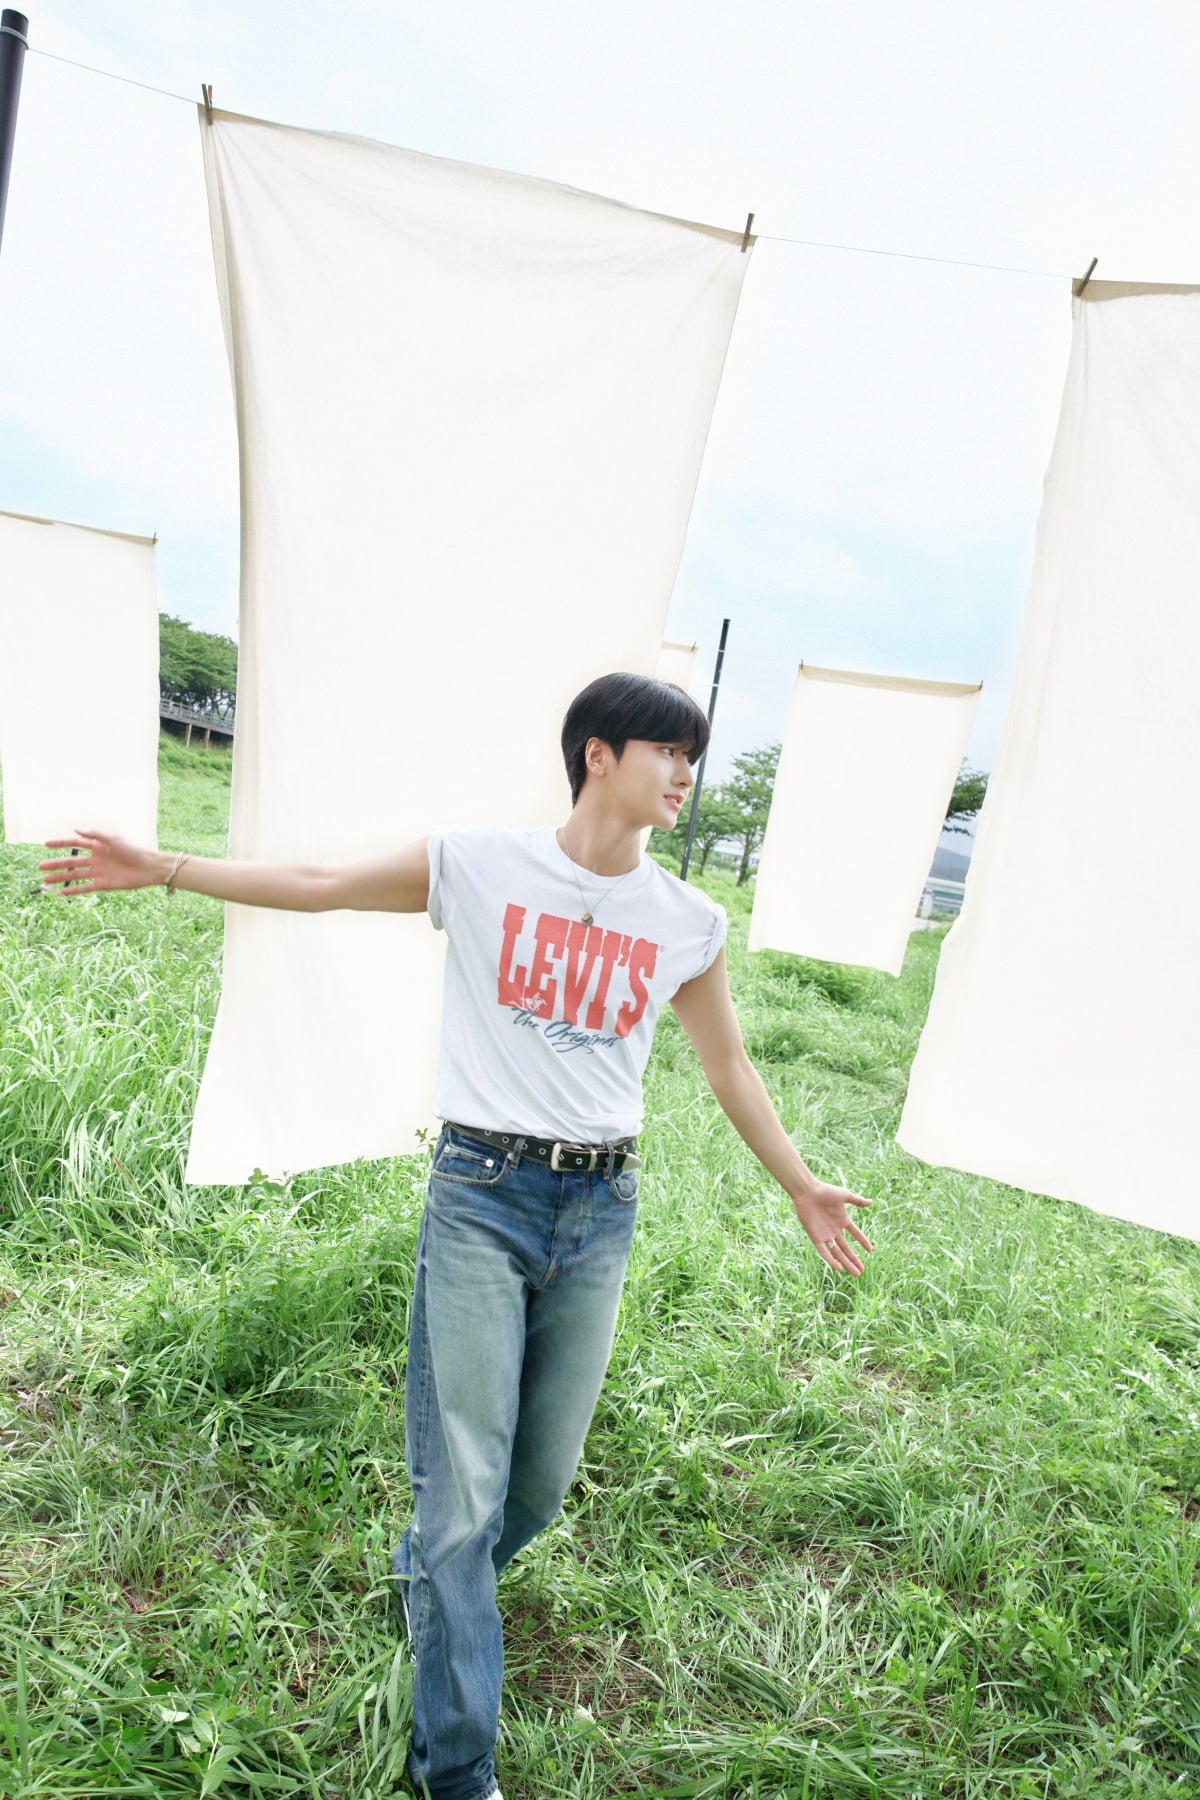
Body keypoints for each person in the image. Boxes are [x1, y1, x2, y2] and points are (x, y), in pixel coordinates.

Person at [39, 672, 873, 1800]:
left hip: (603, 1208)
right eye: (669, 751)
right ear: (599, 753)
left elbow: (729, 1065)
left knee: (534, 1490)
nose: (686, 774)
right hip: (484, 1193)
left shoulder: (689, 921)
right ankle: (457, 1766)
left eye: (694, 755)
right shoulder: (481, 866)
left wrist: (801, 1185)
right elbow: (322, 885)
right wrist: (167, 867)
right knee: (464, 1496)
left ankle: (432, 1574)